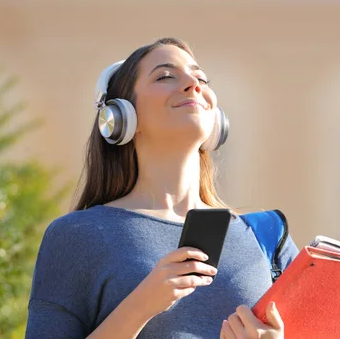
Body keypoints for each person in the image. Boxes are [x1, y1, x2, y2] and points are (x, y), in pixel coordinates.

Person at [25, 38, 299, 339]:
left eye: (201, 78)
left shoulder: (268, 238)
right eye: (165, 76)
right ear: (121, 117)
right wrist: (140, 306)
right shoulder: (77, 235)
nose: (193, 85)